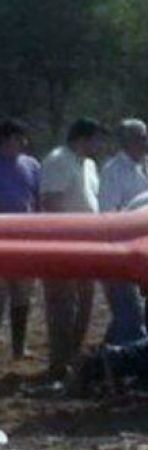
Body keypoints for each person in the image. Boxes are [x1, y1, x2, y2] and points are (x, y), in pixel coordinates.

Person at [40, 117, 108, 377]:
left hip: (87, 243)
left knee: (84, 302)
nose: (100, 144)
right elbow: (50, 201)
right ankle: (59, 364)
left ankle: (73, 357)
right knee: (62, 304)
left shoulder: (89, 165)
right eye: (97, 138)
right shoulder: (58, 160)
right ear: (83, 138)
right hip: (63, 243)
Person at [99, 119, 148, 345]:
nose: (146, 143)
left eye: (146, 137)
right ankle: (117, 366)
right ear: (128, 141)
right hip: (122, 250)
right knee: (130, 315)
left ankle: (100, 363)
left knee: (129, 315)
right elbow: (108, 213)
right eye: (141, 138)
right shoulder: (113, 170)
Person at [0, 118, 40, 359]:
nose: (23, 142)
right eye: (18, 137)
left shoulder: (32, 165)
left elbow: (36, 200)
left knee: (22, 292)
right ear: (5, 139)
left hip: (25, 237)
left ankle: (18, 346)